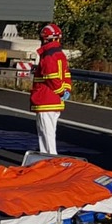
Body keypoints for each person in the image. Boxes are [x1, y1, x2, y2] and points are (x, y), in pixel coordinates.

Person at [30, 23, 73, 154]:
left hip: (46, 99)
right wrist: (65, 91)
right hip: (55, 100)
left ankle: (49, 160)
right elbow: (66, 75)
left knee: (46, 134)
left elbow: (51, 76)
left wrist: (60, 91)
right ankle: (48, 159)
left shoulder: (48, 55)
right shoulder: (59, 54)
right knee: (49, 132)